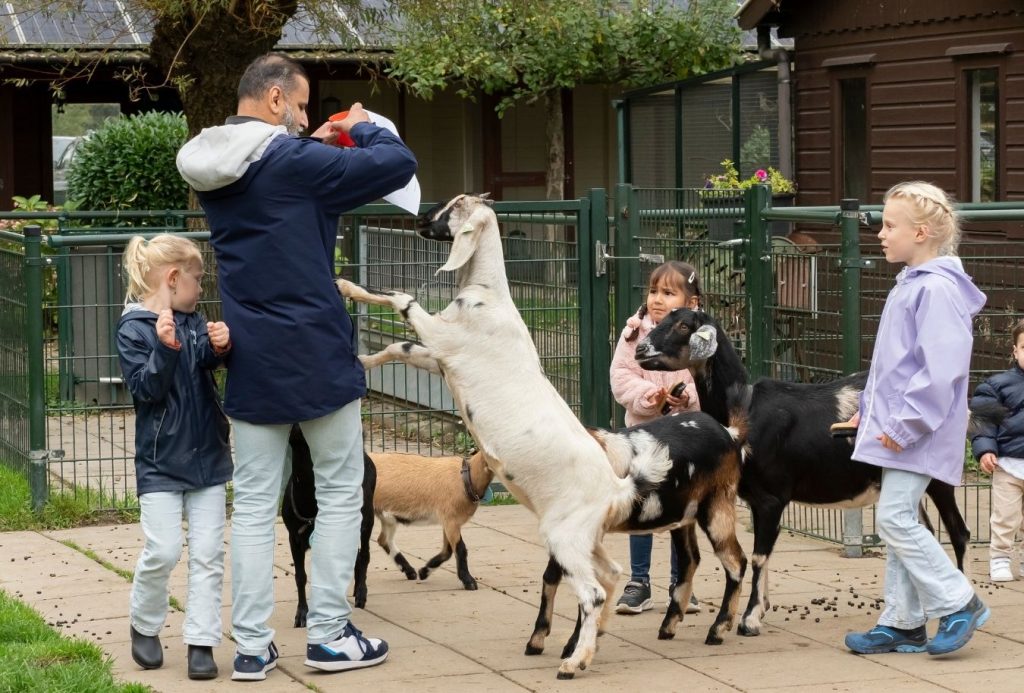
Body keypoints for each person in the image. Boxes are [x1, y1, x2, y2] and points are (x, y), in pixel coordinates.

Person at [176, 53, 417, 681]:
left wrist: (318, 149)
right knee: (339, 491)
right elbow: (397, 164)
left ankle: (252, 647)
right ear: (276, 99)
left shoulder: (211, 164)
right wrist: (361, 125)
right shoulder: (291, 160)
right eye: (302, 105)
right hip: (315, 354)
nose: (307, 119)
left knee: (256, 505)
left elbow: (285, 202)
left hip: (252, 358)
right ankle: (330, 635)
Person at [843, 181, 989, 656]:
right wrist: (867, 414)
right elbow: (893, 367)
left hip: (916, 432)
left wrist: (902, 427)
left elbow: (940, 371)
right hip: (902, 430)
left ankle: (958, 601)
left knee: (894, 518)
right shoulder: (912, 284)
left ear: (921, 233)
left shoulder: (936, 291)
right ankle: (903, 622)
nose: (881, 234)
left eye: (890, 226)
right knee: (899, 517)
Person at [116, 234, 232, 680]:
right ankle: (144, 623)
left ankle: (201, 642)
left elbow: (203, 361)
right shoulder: (134, 329)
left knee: (207, 554)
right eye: (197, 279)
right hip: (160, 461)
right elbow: (146, 389)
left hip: (208, 457)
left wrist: (219, 346)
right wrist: (164, 348)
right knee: (163, 550)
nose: (201, 288)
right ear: (172, 278)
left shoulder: (193, 320)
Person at [610, 260, 703, 615]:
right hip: (643, 435)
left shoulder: (699, 338)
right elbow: (621, 376)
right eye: (653, 291)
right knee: (640, 504)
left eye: (668, 293)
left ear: (691, 302)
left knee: (682, 508)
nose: (657, 299)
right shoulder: (634, 334)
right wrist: (651, 397)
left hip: (685, 438)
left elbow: (704, 379)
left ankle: (682, 582)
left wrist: (686, 397)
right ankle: (639, 582)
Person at [970, 319, 1024, 582]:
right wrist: (985, 450)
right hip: (1008, 465)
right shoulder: (997, 385)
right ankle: (1000, 558)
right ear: (1015, 351)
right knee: (1005, 516)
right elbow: (983, 422)